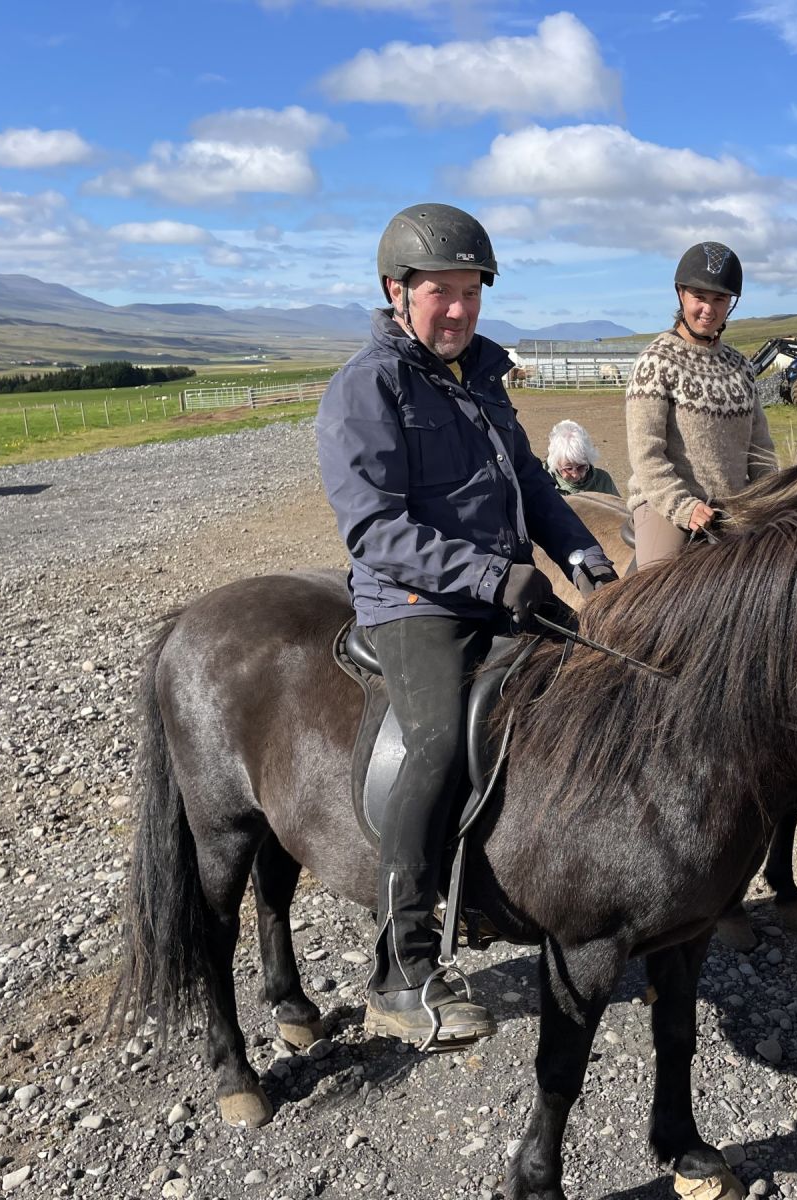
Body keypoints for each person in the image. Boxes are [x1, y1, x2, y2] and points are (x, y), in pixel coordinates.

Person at [315, 203, 617, 1046]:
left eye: (471, 293)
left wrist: (584, 557)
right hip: (414, 601)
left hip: (499, 590)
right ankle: (401, 968)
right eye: (440, 293)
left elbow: (533, 482)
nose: (457, 309)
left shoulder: (481, 378)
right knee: (439, 741)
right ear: (397, 291)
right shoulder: (367, 387)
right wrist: (491, 576)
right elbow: (375, 529)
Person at [626, 241, 777, 568]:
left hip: (733, 508)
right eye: (699, 297)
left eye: (719, 299)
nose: (708, 309)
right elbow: (645, 451)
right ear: (681, 295)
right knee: (659, 589)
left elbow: (760, 448)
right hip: (665, 503)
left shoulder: (741, 368)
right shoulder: (655, 362)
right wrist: (682, 505)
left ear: (730, 304)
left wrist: (770, 498)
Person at [544, 419, 619, 497]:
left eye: (581, 467)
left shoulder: (602, 481)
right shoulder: (542, 480)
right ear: (556, 464)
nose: (575, 475)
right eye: (569, 468)